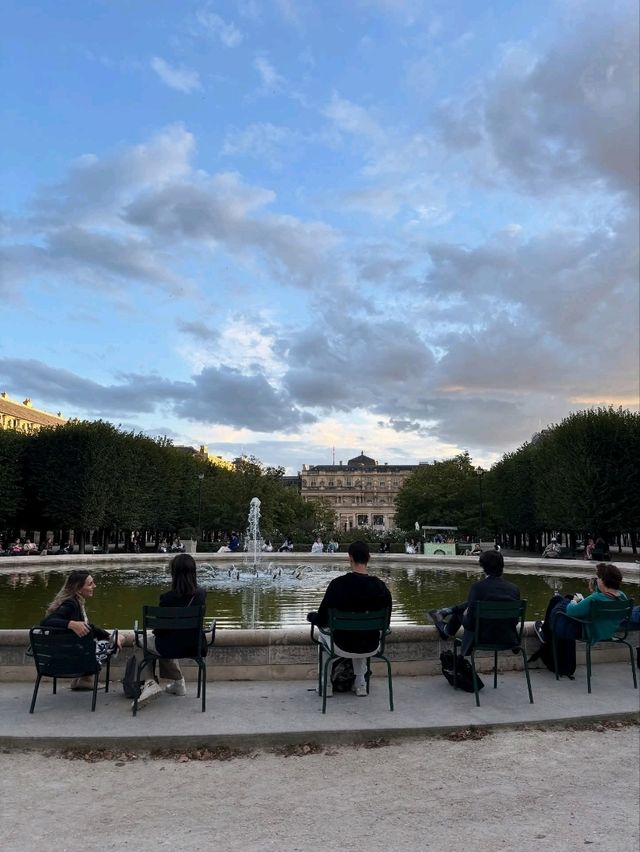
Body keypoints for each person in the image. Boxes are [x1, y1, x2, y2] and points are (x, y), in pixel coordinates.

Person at [307, 540, 392, 698]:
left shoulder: (337, 585)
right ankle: (360, 683)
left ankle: (326, 685)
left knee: (322, 638)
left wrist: (311, 616)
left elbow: (322, 619)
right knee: (362, 633)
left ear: (350, 558)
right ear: (369, 558)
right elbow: (386, 624)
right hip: (371, 645)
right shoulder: (381, 587)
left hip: (341, 644)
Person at [135, 553, 207, 709]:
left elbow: (160, 631)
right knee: (165, 641)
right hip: (195, 646)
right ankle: (178, 683)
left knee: (142, 643)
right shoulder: (202, 594)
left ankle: (149, 682)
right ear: (193, 571)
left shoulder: (167, 598)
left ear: (173, 573)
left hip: (169, 647)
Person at [41, 570, 123, 689]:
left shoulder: (74, 602)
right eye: (90, 584)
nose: (94, 586)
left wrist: (109, 635)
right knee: (116, 643)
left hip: (61, 657)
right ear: (78, 589)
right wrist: (71, 624)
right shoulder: (71, 604)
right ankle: (86, 679)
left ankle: (80, 680)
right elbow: (46, 622)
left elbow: (89, 627)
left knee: (111, 639)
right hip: (72, 661)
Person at [427, 550, 520, 655]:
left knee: (461, 613)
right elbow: (515, 621)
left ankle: (446, 629)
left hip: (482, 638)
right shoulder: (514, 589)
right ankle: (447, 611)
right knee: (474, 604)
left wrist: (466, 613)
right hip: (507, 637)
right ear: (502, 565)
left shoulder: (477, 588)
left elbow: (470, 624)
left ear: (483, 566)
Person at [534, 563, 629, 647]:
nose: (597, 580)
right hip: (608, 633)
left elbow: (571, 611)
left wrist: (574, 601)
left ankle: (545, 633)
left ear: (603, 581)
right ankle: (545, 632)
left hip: (588, 633)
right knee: (562, 600)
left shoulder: (595, 598)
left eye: (599, 578)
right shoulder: (622, 596)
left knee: (559, 600)